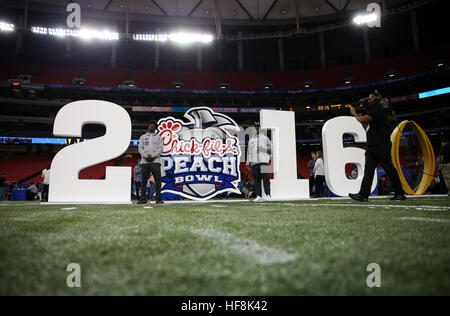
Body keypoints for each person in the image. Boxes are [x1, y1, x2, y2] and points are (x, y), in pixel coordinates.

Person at [349, 91, 406, 202]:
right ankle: (363, 194)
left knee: (389, 169)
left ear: (377, 98)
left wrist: (355, 114)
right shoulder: (374, 110)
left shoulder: (380, 108)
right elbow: (366, 125)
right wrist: (359, 118)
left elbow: (365, 119)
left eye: (371, 98)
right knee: (368, 171)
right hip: (372, 145)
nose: (369, 100)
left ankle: (400, 193)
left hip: (381, 144)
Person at [138, 120, 164, 204]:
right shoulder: (143, 137)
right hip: (145, 162)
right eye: (150, 125)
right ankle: (143, 199)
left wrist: (152, 156)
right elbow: (140, 148)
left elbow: (160, 149)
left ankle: (158, 198)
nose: (152, 126)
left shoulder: (159, 137)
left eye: (153, 125)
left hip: (155, 161)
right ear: (148, 126)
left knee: (158, 181)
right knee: (144, 181)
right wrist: (146, 156)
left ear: (156, 127)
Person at [246, 122, 273, 202]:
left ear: (258, 129)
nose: (253, 130)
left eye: (255, 128)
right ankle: (258, 196)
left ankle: (268, 195)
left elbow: (271, 149)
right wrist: (248, 162)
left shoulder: (265, 138)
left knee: (266, 179)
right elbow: (249, 152)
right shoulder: (251, 140)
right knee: (256, 180)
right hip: (254, 163)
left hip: (264, 161)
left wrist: (263, 148)